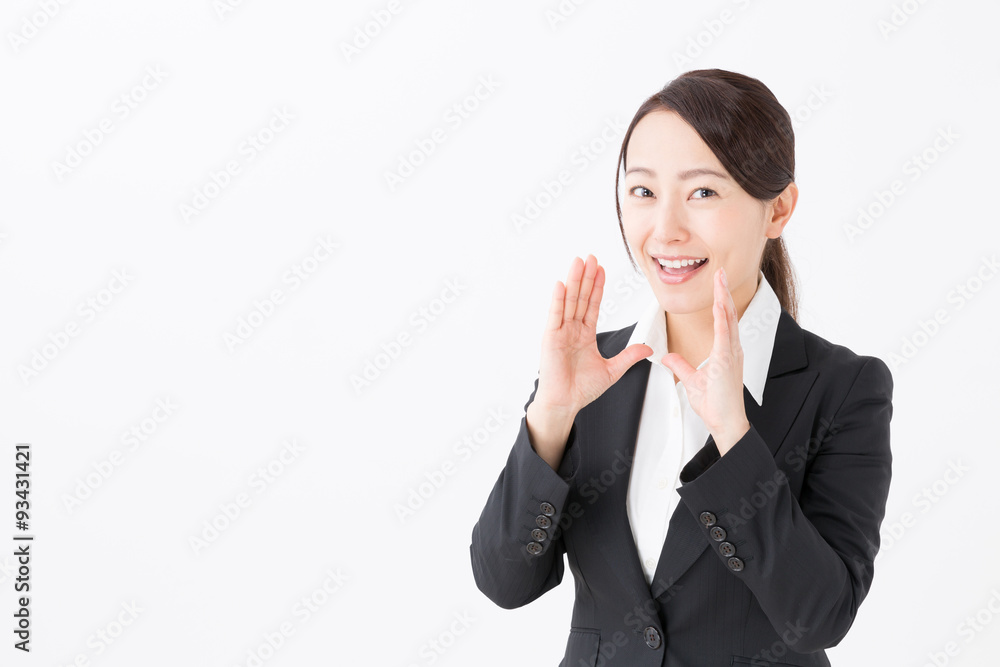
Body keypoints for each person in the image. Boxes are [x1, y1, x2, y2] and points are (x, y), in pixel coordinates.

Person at [468, 69, 893, 667]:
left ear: (778, 209)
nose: (665, 230)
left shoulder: (844, 389)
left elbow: (819, 617)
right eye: (643, 192)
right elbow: (504, 583)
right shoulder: (588, 372)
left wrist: (733, 436)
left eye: (703, 193)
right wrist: (551, 418)